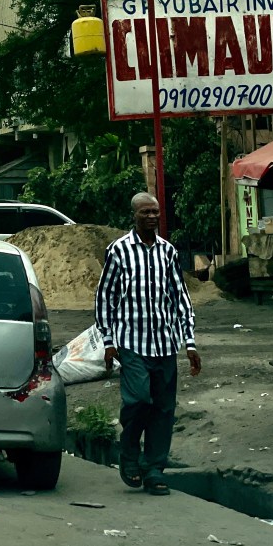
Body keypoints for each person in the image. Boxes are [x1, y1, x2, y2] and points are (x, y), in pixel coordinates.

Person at [95, 192, 201, 497]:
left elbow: (180, 297)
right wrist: (108, 340)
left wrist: (189, 343)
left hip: (165, 344)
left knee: (164, 409)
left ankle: (155, 469)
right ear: (134, 215)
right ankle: (129, 455)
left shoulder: (168, 251)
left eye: (155, 212)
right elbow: (105, 297)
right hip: (131, 342)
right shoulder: (118, 251)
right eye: (145, 212)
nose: (151, 217)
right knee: (139, 400)